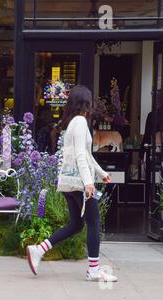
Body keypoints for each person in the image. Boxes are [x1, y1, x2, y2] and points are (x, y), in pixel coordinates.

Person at [26, 85, 118, 282]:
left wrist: (101, 173)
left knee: (77, 224)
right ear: (86, 102)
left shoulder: (73, 123)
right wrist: (88, 183)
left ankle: (38, 250)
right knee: (94, 223)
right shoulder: (80, 123)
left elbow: (85, 153)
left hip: (69, 182)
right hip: (78, 183)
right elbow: (80, 155)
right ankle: (93, 269)